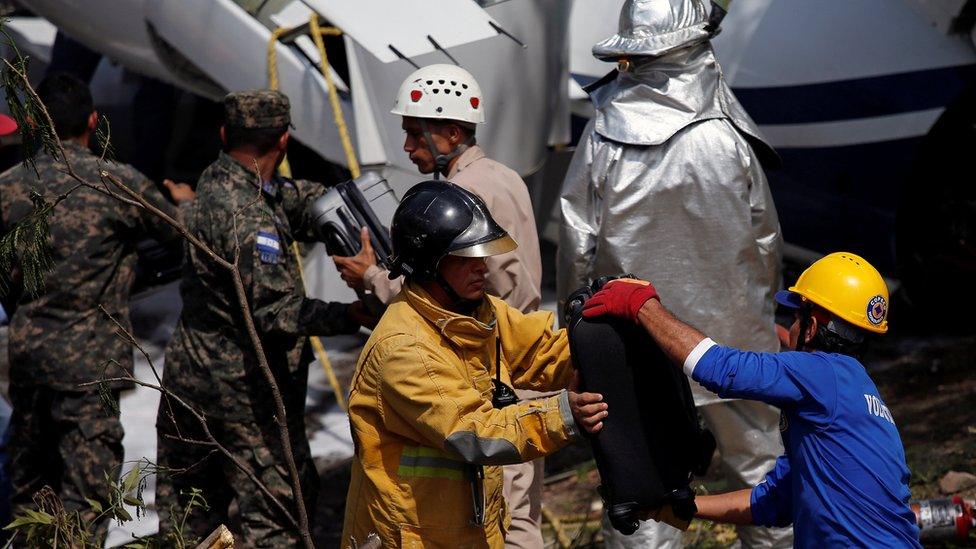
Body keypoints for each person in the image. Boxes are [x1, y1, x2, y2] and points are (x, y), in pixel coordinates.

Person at [557, 1, 789, 546]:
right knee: (766, 483)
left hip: (640, 351)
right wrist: (762, 313)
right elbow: (767, 241)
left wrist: (576, 339)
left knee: (644, 491)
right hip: (735, 346)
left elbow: (575, 247)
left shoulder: (603, 136)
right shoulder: (729, 130)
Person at [333, 64, 549, 548]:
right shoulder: (504, 176)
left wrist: (369, 276)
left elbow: (448, 298)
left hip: (494, 377)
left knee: (506, 525)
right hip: (516, 367)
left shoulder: (463, 198)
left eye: (415, 134)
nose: (408, 148)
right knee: (521, 516)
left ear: (452, 132)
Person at [581, 253, 922, 548]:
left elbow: (720, 369)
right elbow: (772, 503)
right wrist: (683, 506)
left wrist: (641, 305)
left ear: (812, 326)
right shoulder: (853, 396)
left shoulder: (819, 373)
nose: (787, 328)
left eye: (795, 317)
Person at [340, 181, 607, 548]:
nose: (482, 267)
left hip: (467, 532)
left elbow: (542, 351)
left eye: (482, 255)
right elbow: (473, 431)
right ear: (429, 264)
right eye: (466, 258)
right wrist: (563, 415)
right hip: (414, 540)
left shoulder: (477, 312)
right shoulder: (404, 350)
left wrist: (605, 339)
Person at [156, 89, 367, 545]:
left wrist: (337, 208)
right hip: (243, 393)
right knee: (277, 516)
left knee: (189, 516)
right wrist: (352, 313)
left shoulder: (217, 181)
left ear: (225, 133)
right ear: (284, 141)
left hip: (190, 379)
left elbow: (289, 199)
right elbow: (275, 312)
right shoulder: (252, 220)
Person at [0, 72, 193, 532]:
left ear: (34, 123)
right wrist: (184, 203)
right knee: (89, 495)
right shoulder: (115, 182)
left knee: (30, 492)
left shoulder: (7, 187)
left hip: (28, 361)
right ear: (92, 120)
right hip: (90, 370)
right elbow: (181, 237)